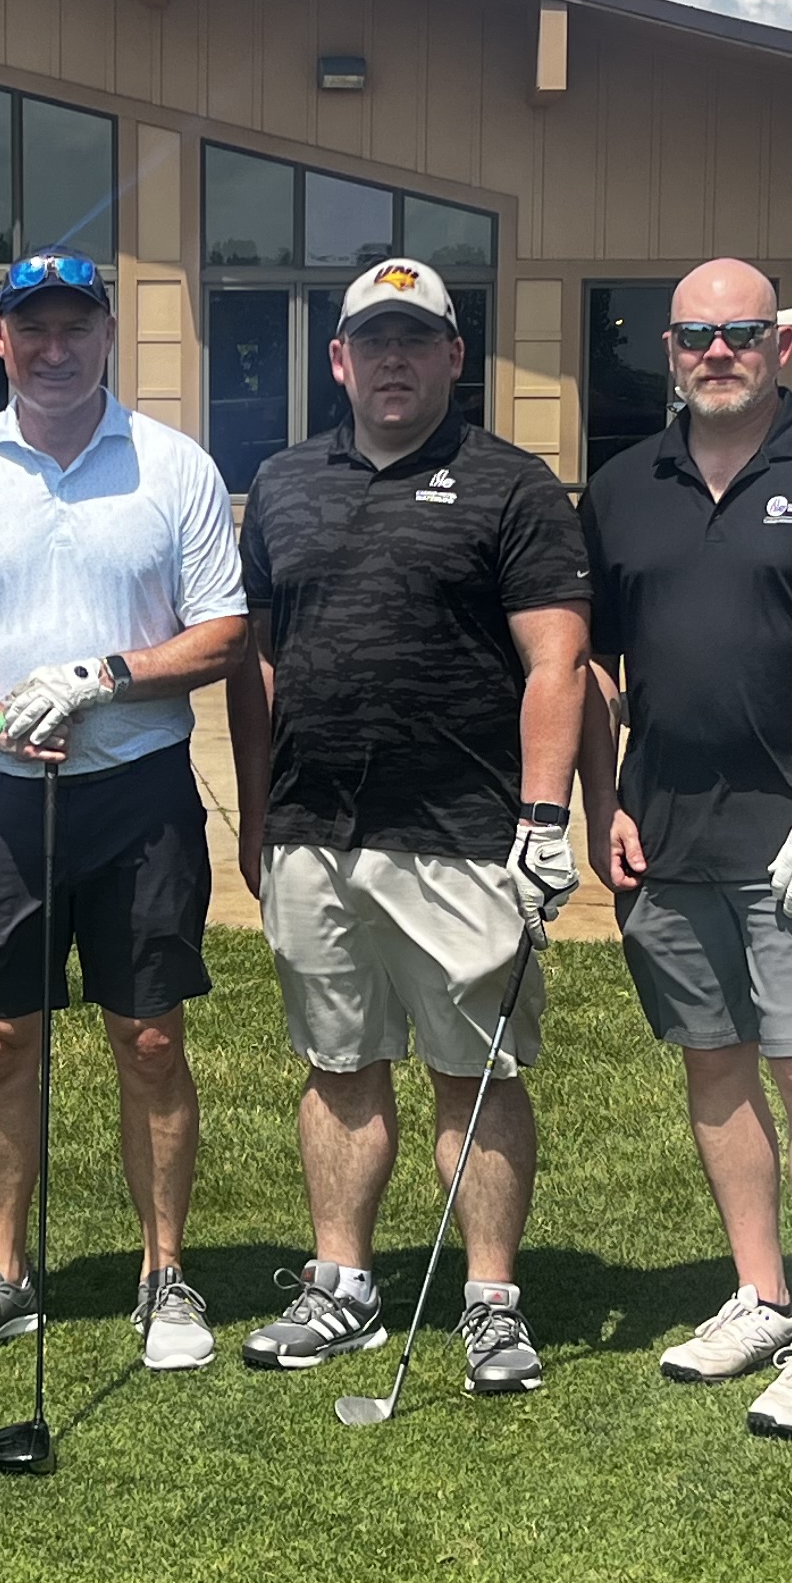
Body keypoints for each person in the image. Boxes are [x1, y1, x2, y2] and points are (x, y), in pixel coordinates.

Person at [576, 257, 792, 1439]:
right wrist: (608, 798)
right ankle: (762, 1295)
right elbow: (600, 666)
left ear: (779, 346)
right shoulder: (627, 483)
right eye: (693, 334)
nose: (715, 351)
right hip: (669, 832)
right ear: (667, 350)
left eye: (740, 332)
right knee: (713, 1062)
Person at [225, 256, 589, 1394]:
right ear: (337, 360)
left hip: (462, 832)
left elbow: (557, 660)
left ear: (452, 357)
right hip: (316, 832)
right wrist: (259, 814)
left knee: (471, 1068)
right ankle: (342, 1286)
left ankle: (489, 1302)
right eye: (370, 341)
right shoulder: (282, 484)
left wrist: (542, 815)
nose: (391, 359)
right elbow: (261, 663)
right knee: (340, 1063)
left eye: (414, 339)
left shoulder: (512, 486)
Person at [0, 252, 248, 1372]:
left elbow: (223, 632)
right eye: (31, 328)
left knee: (149, 1037)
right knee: (1, 1042)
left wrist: (103, 675)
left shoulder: (172, 466)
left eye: (74, 326)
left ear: (105, 333)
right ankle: (3, 1274)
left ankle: (165, 1274)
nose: (54, 348)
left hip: (138, 791)